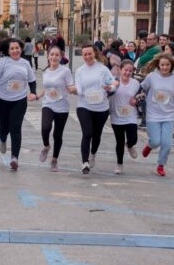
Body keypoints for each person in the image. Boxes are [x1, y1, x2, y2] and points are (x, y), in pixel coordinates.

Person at [0, 38, 37, 170]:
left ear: (21, 49)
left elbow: (32, 80)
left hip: (19, 100)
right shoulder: (3, 62)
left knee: (15, 127)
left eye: (17, 48)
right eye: (12, 49)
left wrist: (33, 92)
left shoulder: (25, 63)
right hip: (1, 100)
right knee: (4, 127)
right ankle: (2, 138)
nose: (15, 50)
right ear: (8, 51)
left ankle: (15, 158)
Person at [141, 53, 174, 177]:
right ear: (158, 65)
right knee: (156, 141)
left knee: (166, 143)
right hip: (152, 114)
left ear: (171, 66)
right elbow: (142, 88)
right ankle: (150, 145)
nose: (165, 67)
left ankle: (160, 165)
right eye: (162, 65)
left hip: (168, 115)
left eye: (167, 65)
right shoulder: (151, 77)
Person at [75, 44, 117, 174]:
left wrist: (110, 88)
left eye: (89, 54)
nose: (87, 57)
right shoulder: (79, 71)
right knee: (87, 133)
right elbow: (79, 89)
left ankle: (93, 154)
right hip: (84, 105)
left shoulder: (103, 69)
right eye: (85, 54)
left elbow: (113, 83)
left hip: (101, 107)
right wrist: (74, 90)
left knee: (96, 135)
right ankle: (85, 162)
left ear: (95, 54)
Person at [37, 46, 75, 172]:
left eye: (56, 55)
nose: (53, 57)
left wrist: (74, 90)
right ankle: (46, 146)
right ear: (48, 56)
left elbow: (70, 86)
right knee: (45, 128)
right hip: (48, 104)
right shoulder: (45, 71)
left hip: (62, 107)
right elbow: (46, 88)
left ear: (60, 57)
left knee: (57, 134)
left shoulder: (65, 71)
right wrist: (37, 96)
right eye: (51, 54)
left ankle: (54, 159)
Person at [110, 60, 140, 175]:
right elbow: (106, 92)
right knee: (119, 141)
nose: (127, 73)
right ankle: (119, 164)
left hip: (130, 115)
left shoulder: (135, 83)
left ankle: (130, 145)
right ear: (120, 70)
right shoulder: (114, 82)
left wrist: (136, 99)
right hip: (116, 116)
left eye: (130, 71)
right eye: (125, 70)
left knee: (133, 138)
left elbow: (141, 94)